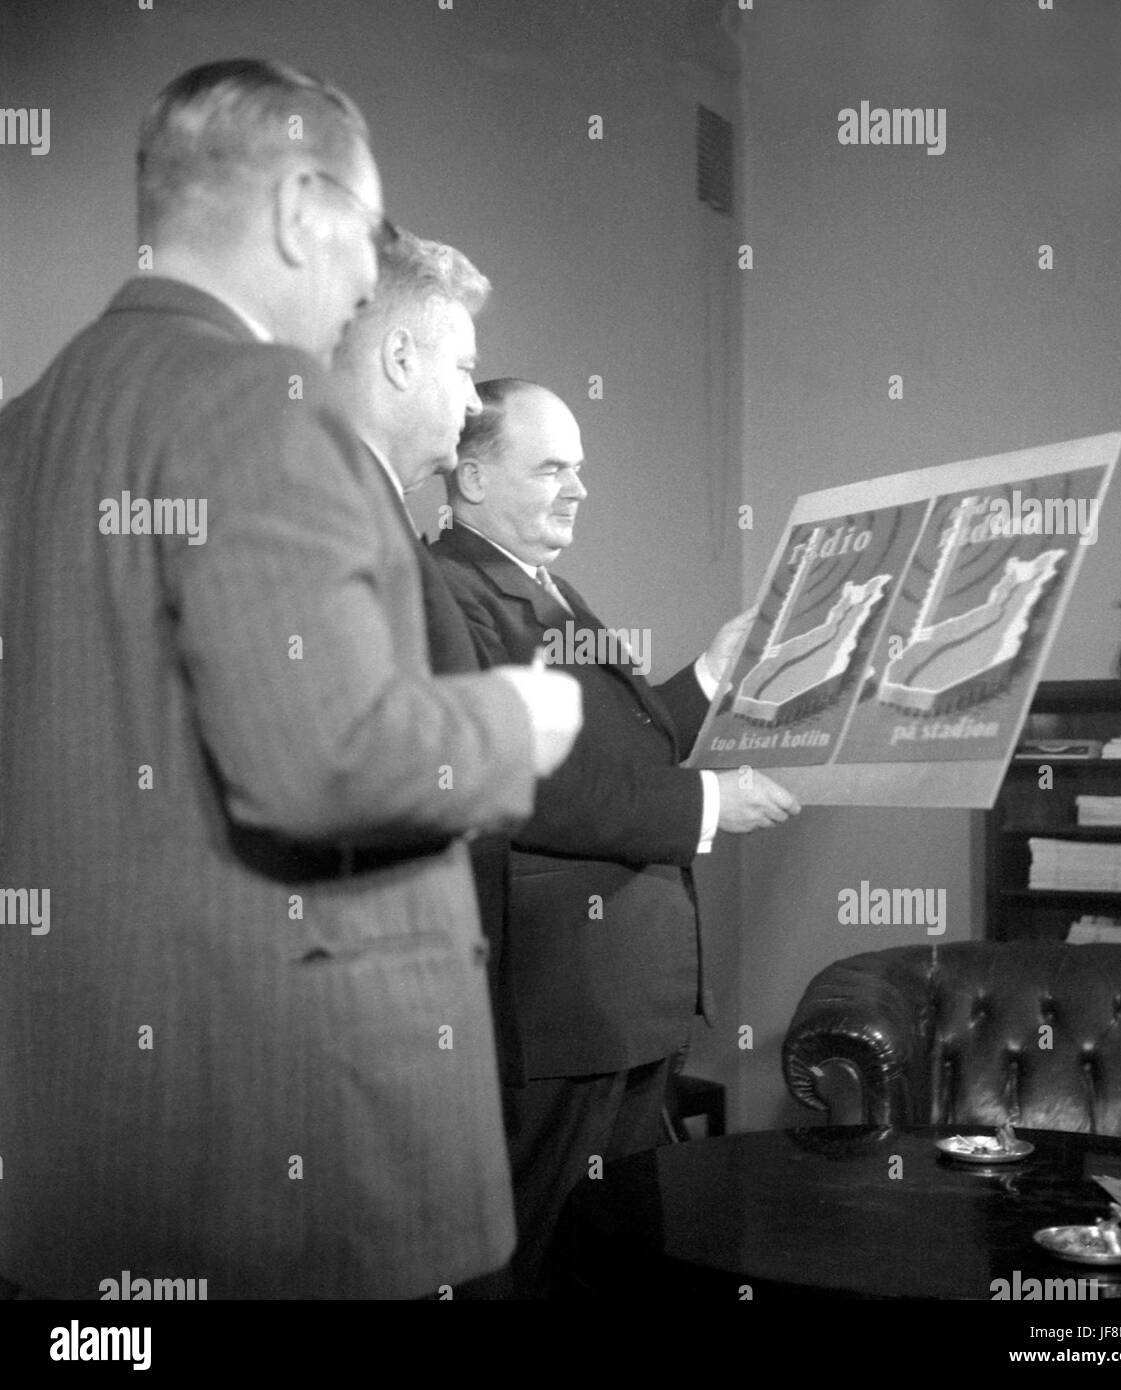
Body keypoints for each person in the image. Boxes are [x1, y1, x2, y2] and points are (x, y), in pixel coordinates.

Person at [0, 61, 580, 1301]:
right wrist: (518, 716)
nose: (369, 285)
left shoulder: (24, 430)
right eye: (363, 246)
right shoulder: (263, 404)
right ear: (295, 215)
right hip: (303, 1150)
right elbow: (325, 758)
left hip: (91, 1140)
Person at [433, 378, 797, 1296]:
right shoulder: (450, 589)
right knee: (544, 1262)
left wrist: (713, 670)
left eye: (581, 468)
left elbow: (625, 752)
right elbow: (529, 780)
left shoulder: (543, 586)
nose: (578, 488)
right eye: (552, 466)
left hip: (628, 1009)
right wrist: (709, 807)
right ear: (471, 478)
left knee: (621, 1262)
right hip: (565, 1014)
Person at [330, 230, 521, 1083]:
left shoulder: (371, 508)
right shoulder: (330, 515)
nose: (475, 403)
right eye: (463, 370)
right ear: (401, 358)